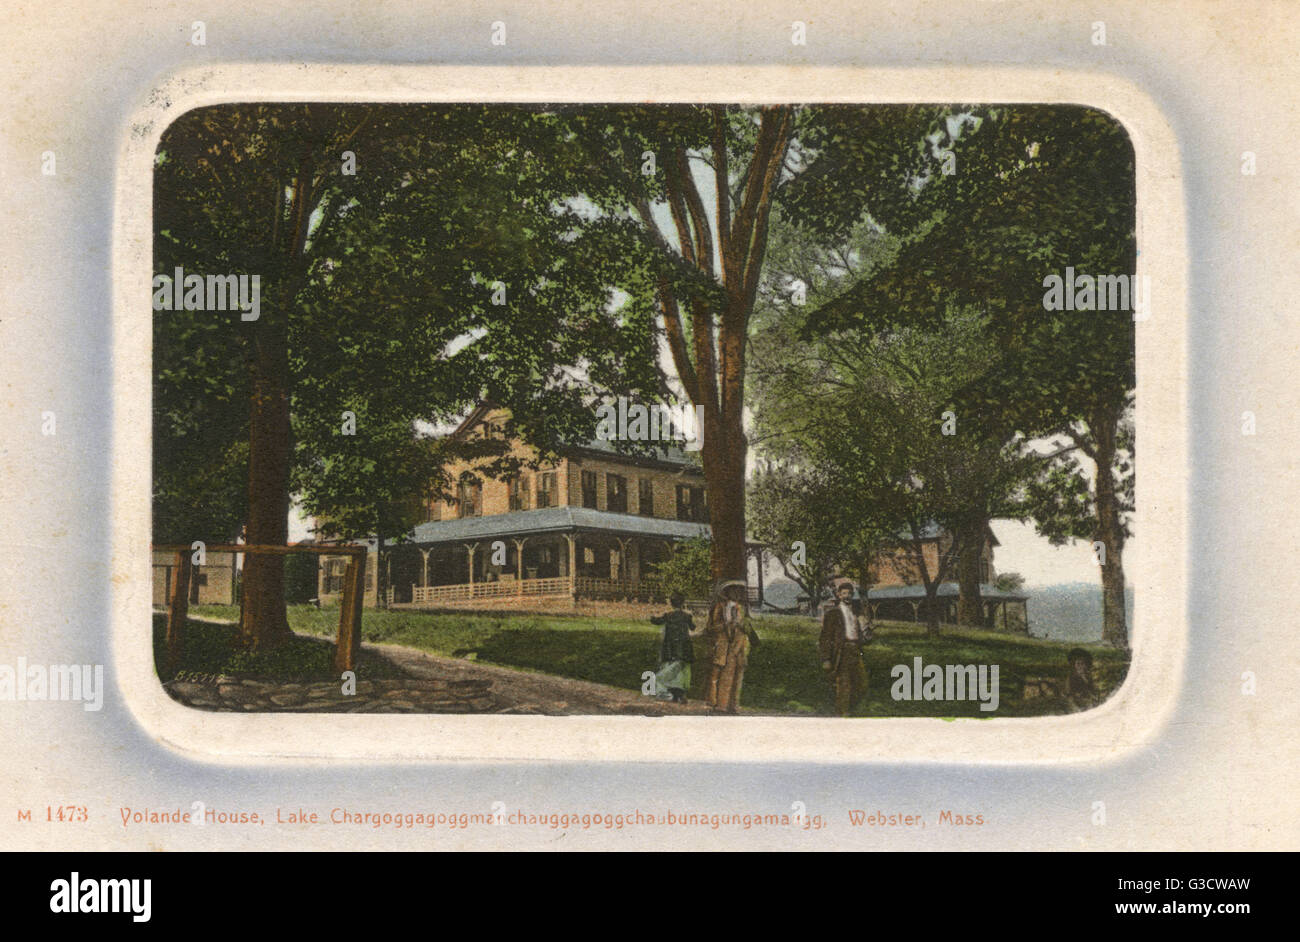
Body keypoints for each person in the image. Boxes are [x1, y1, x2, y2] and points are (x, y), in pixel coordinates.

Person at [819, 578, 872, 717]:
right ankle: (843, 713)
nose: (847, 596)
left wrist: (866, 630)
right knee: (844, 683)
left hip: (856, 649)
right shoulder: (833, 613)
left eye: (849, 593)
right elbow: (825, 637)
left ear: (852, 595)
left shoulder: (856, 613)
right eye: (844, 593)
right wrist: (826, 659)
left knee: (862, 683)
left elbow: (865, 636)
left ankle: (850, 708)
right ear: (838, 595)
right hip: (842, 651)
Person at [706, 580, 750, 714]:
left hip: (738, 646)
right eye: (733, 590)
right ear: (727, 592)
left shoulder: (739, 608)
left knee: (736, 676)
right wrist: (726, 625)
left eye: (738, 591)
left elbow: (745, 627)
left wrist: (740, 626)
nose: (736, 593)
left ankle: (733, 705)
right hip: (722, 645)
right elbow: (711, 627)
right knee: (719, 676)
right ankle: (717, 705)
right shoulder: (719, 607)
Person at [650, 594, 696, 702]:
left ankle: (672, 692)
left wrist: (652, 616)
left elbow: (656, 621)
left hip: (670, 647)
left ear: (671, 604)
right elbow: (693, 627)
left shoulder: (668, 615)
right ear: (683, 603)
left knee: (670, 669)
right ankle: (681, 693)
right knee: (682, 669)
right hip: (683, 647)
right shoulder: (687, 616)